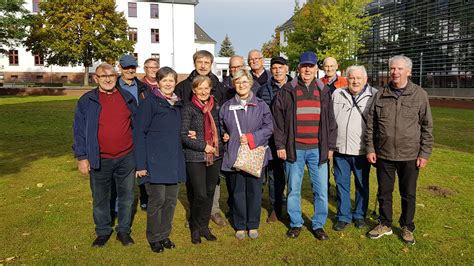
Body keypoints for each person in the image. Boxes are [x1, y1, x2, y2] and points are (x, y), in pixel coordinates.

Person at [366, 55, 433, 245]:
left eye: (399, 69)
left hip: (410, 155)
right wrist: (370, 148)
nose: (395, 72)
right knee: (384, 192)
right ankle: (385, 223)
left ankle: (407, 226)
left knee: (408, 193)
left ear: (408, 71)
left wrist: (424, 153)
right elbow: (371, 125)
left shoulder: (419, 94)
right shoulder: (380, 94)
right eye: (392, 69)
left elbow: (427, 126)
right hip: (384, 154)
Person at [272, 51, 337, 241]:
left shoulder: (324, 91)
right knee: (293, 189)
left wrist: (330, 147)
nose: (307, 69)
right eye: (304, 66)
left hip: (318, 149)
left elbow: (331, 122)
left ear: (316, 68)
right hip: (294, 149)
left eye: (311, 66)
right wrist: (280, 145)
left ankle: (318, 224)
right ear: (298, 68)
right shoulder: (287, 90)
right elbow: (279, 122)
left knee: (321, 191)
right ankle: (295, 223)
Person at [72, 63, 136, 248]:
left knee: (126, 196)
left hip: (126, 156)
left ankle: (123, 230)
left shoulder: (127, 98)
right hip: (99, 158)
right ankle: (103, 231)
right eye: (103, 76)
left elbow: (137, 125)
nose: (108, 79)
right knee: (100, 197)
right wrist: (82, 156)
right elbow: (78, 130)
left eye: (111, 75)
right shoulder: (87, 100)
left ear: (117, 77)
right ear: (96, 78)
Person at [135, 67, 186, 253]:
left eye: (171, 81)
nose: (168, 84)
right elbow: (139, 133)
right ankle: (154, 237)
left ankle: (165, 235)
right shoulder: (149, 103)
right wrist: (141, 164)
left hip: (173, 161)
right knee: (157, 201)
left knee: (171, 201)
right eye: (164, 80)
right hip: (155, 161)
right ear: (158, 82)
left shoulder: (177, 104)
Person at [175, 50, 227, 227]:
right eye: (200, 62)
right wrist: (187, 130)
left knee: (213, 182)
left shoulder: (218, 86)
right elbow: (178, 111)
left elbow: (221, 113)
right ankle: (194, 213)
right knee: (195, 183)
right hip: (194, 144)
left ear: (211, 64)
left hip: (213, 145)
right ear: (195, 63)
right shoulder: (183, 86)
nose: (203, 65)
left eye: (207, 62)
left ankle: (213, 211)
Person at [219, 69, 273, 240]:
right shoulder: (227, 107)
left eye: (244, 82)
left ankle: (253, 224)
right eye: (237, 82)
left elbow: (269, 128)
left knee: (254, 192)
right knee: (237, 192)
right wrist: (224, 134)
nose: (241, 85)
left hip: (255, 154)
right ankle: (240, 225)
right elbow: (221, 126)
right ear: (233, 84)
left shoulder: (261, 105)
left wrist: (252, 137)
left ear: (250, 83)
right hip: (235, 154)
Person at [331, 65, 377, 231]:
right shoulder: (337, 93)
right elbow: (331, 120)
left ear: (365, 80)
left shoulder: (375, 95)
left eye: (359, 78)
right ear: (347, 79)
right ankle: (343, 216)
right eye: (352, 78)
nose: (355, 81)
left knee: (361, 184)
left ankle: (359, 215)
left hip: (362, 151)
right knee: (341, 185)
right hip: (340, 150)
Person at [181, 75, 224, 244]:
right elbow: (184, 136)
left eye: (207, 88)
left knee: (209, 192)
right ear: (194, 90)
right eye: (200, 88)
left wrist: (224, 137)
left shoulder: (216, 107)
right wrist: (203, 146)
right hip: (196, 156)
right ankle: (195, 227)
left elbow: (220, 129)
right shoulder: (189, 108)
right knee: (199, 194)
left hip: (215, 155)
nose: (204, 91)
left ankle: (204, 226)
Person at [256, 56, 292, 223]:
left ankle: (293, 209)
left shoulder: (295, 87)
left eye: (280, 67)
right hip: (271, 139)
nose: (277, 71)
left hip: (293, 138)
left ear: (287, 68)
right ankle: (276, 209)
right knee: (274, 175)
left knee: (293, 176)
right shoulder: (263, 89)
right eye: (274, 68)